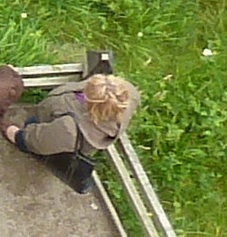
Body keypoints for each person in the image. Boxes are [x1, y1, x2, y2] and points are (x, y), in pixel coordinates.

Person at [10, 68, 139, 189]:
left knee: (31, 127)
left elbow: (36, 142)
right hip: (64, 132)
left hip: (53, 132)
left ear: (92, 107)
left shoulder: (69, 129)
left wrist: (16, 135)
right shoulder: (128, 93)